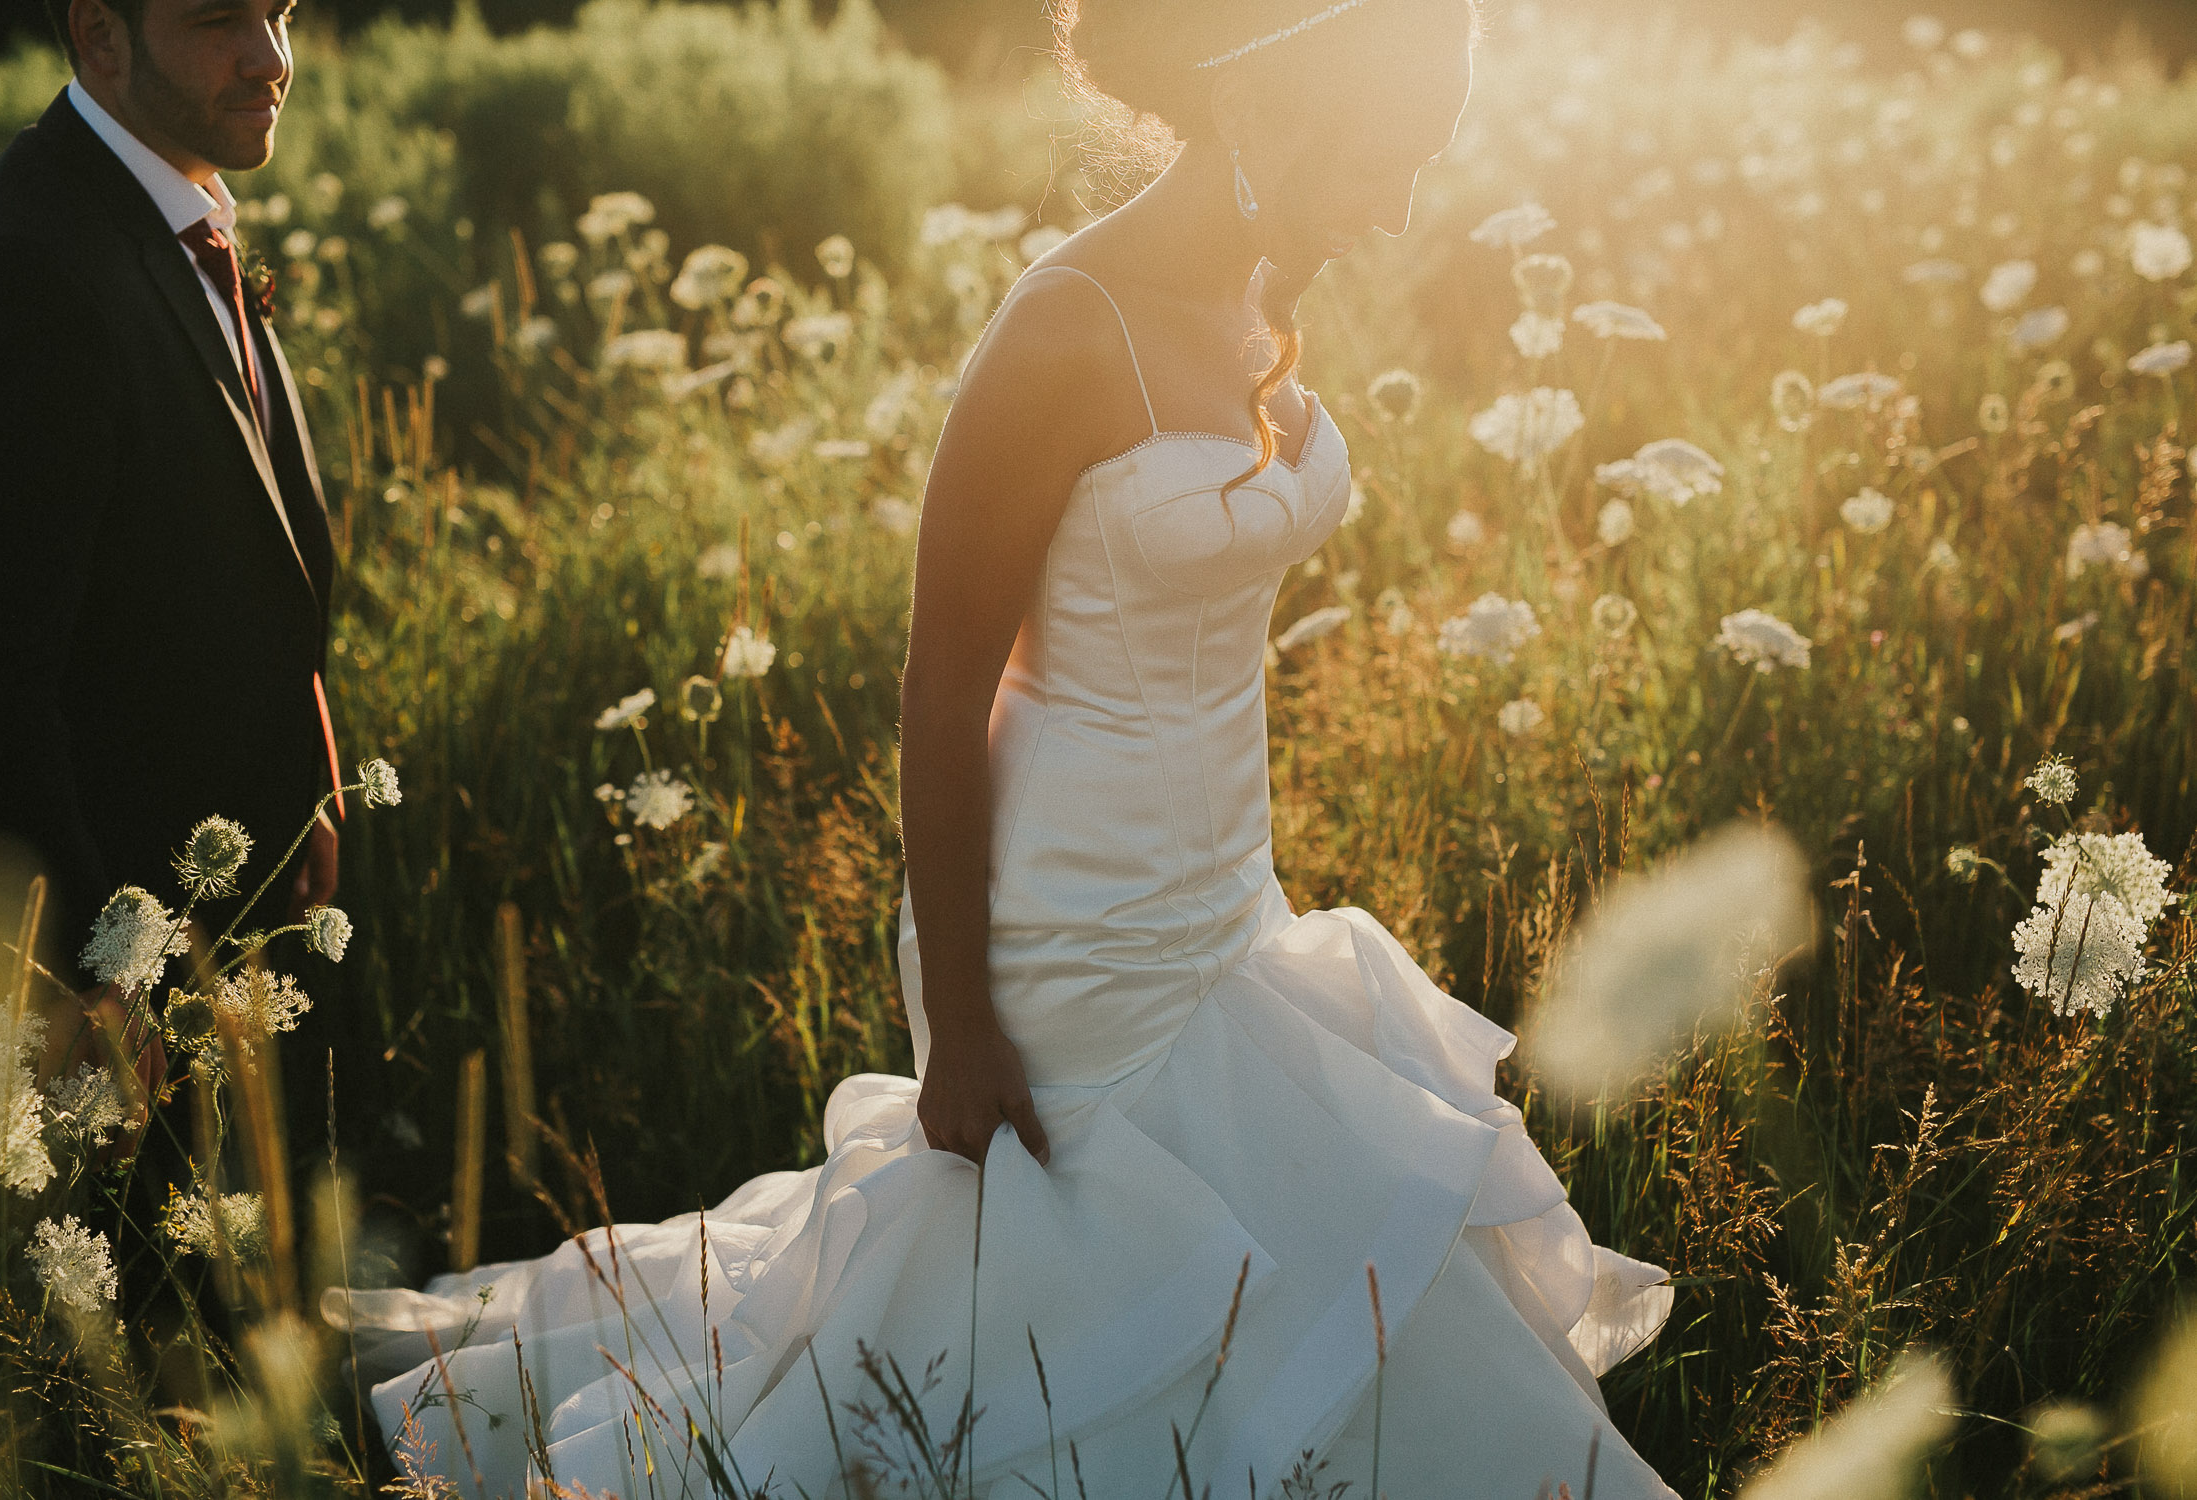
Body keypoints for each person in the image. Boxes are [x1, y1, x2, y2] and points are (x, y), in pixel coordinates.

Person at [332, 2, 1680, 1495]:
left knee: (1316, 1255)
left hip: (1223, 897)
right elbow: (943, 682)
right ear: (1271, 114)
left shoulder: (1254, 291)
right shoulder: (1060, 330)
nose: (1400, 207)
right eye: (1386, 158)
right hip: (1064, 931)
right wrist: (963, 1020)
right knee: (1040, 1279)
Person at [0, 0, 342, 1197]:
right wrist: (86, 974)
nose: (269, 59)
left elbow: (218, 554)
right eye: (219, 20)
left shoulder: (169, 213)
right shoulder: (29, 267)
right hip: (127, 960)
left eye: (277, 12)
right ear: (100, 37)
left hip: (235, 899)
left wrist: (304, 768)